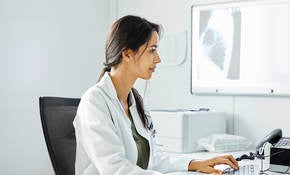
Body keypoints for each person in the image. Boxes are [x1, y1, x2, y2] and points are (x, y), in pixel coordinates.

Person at [73, 15, 239, 175]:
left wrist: (194, 164)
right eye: (152, 50)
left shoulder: (136, 101)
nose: (158, 59)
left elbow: (154, 160)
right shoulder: (94, 103)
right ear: (127, 54)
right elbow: (115, 170)